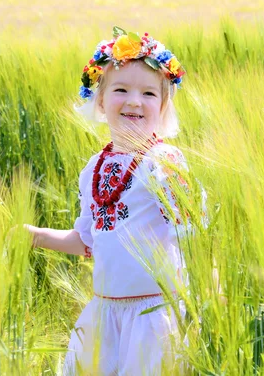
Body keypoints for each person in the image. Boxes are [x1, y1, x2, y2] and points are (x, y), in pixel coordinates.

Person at [25, 27, 208, 375]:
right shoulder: (93, 168)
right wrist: (34, 235)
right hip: (104, 316)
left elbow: (192, 235)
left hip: (152, 317)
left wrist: (205, 291)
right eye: (121, 89)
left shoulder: (165, 163)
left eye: (149, 93)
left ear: (164, 104)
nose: (134, 101)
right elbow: (89, 241)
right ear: (101, 100)